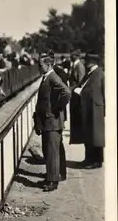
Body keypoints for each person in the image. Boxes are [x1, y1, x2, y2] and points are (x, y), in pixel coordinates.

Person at [33, 52, 72, 192]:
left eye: (40, 65)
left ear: (48, 64)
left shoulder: (53, 77)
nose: (39, 67)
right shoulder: (47, 77)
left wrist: (57, 108)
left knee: (52, 151)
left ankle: (53, 182)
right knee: (50, 150)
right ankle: (52, 176)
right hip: (47, 121)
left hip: (52, 121)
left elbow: (67, 92)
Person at [74, 53, 105, 169]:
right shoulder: (90, 73)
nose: (85, 62)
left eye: (87, 60)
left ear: (93, 62)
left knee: (96, 136)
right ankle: (88, 159)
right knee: (88, 135)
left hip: (96, 109)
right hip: (88, 109)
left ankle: (96, 161)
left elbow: (105, 93)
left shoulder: (100, 73)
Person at [68, 49, 86, 144]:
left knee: (77, 116)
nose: (70, 56)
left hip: (77, 95)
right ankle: (75, 137)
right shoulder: (74, 65)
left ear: (76, 56)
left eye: (72, 55)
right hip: (73, 94)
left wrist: (72, 88)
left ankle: (78, 138)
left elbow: (81, 82)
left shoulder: (79, 66)